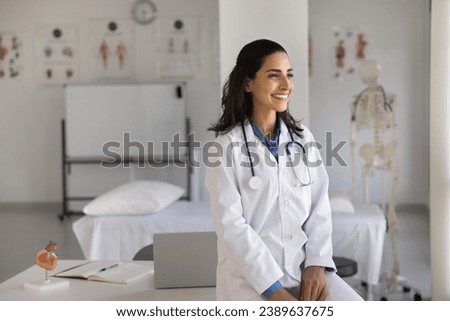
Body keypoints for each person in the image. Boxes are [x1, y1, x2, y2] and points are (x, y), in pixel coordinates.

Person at [205, 39, 363, 301]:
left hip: (303, 272)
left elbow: (319, 207)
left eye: (289, 75)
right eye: (273, 75)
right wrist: (273, 290)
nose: (286, 85)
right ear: (248, 83)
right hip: (250, 282)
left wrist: (316, 264)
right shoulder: (225, 146)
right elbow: (231, 227)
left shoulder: (302, 139)